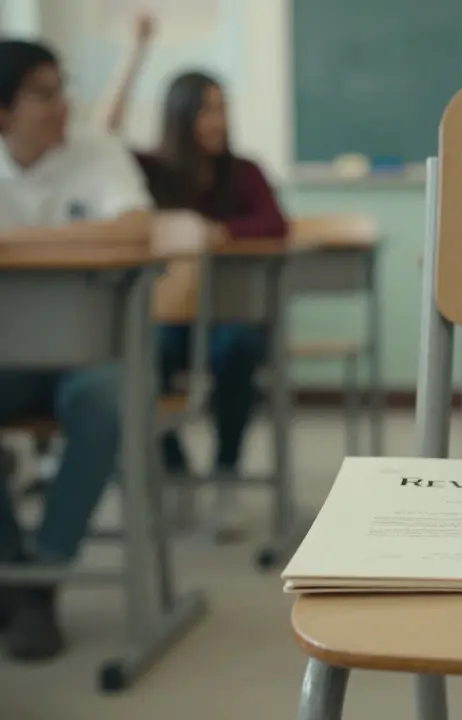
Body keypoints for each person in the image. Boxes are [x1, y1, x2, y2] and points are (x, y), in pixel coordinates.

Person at [99, 14, 289, 539]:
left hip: (229, 320)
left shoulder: (244, 171)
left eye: (222, 108)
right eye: (206, 109)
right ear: (181, 117)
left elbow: (273, 222)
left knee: (239, 349)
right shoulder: (154, 171)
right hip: (171, 320)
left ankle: (226, 475)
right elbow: (103, 138)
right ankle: (177, 472)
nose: (217, 120)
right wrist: (134, 56)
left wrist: (211, 230)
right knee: (146, 351)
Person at [0, 38, 153, 661]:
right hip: (8, 362)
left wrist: (23, 244)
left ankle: (45, 575)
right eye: (42, 93)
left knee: (104, 399)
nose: (62, 103)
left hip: (90, 358)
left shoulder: (98, 152)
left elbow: (135, 226)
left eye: (62, 87)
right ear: (2, 112)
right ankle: (12, 570)